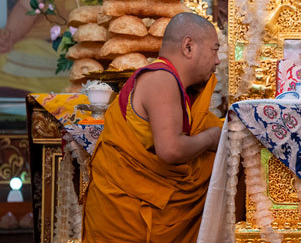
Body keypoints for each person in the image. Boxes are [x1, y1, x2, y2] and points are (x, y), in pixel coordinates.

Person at [82, 13, 222, 242]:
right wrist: (211, 138)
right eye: (214, 50)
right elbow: (171, 150)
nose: (217, 60)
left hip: (137, 209)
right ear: (188, 46)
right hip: (129, 220)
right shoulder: (161, 80)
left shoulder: (171, 82)